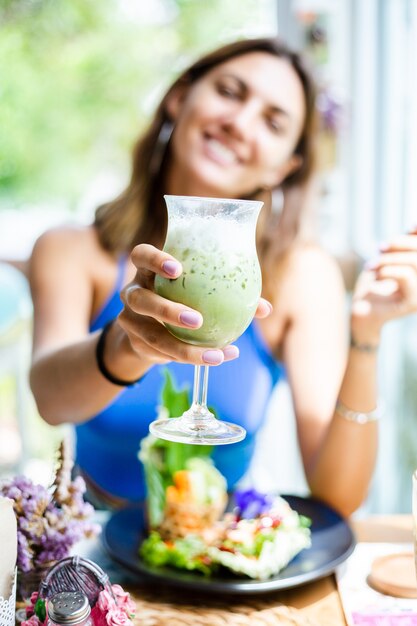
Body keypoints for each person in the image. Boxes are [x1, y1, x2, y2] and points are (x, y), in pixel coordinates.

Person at [28, 37, 417, 515]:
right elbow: (50, 401)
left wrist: (365, 336)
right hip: (94, 543)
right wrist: (128, 345)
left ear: (285, 166)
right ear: (179, 97)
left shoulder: (302, 275)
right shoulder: (70, 249)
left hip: (221, 547)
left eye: (273, 123)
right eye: (230, 92)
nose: (239, 123)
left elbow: (337, 496)